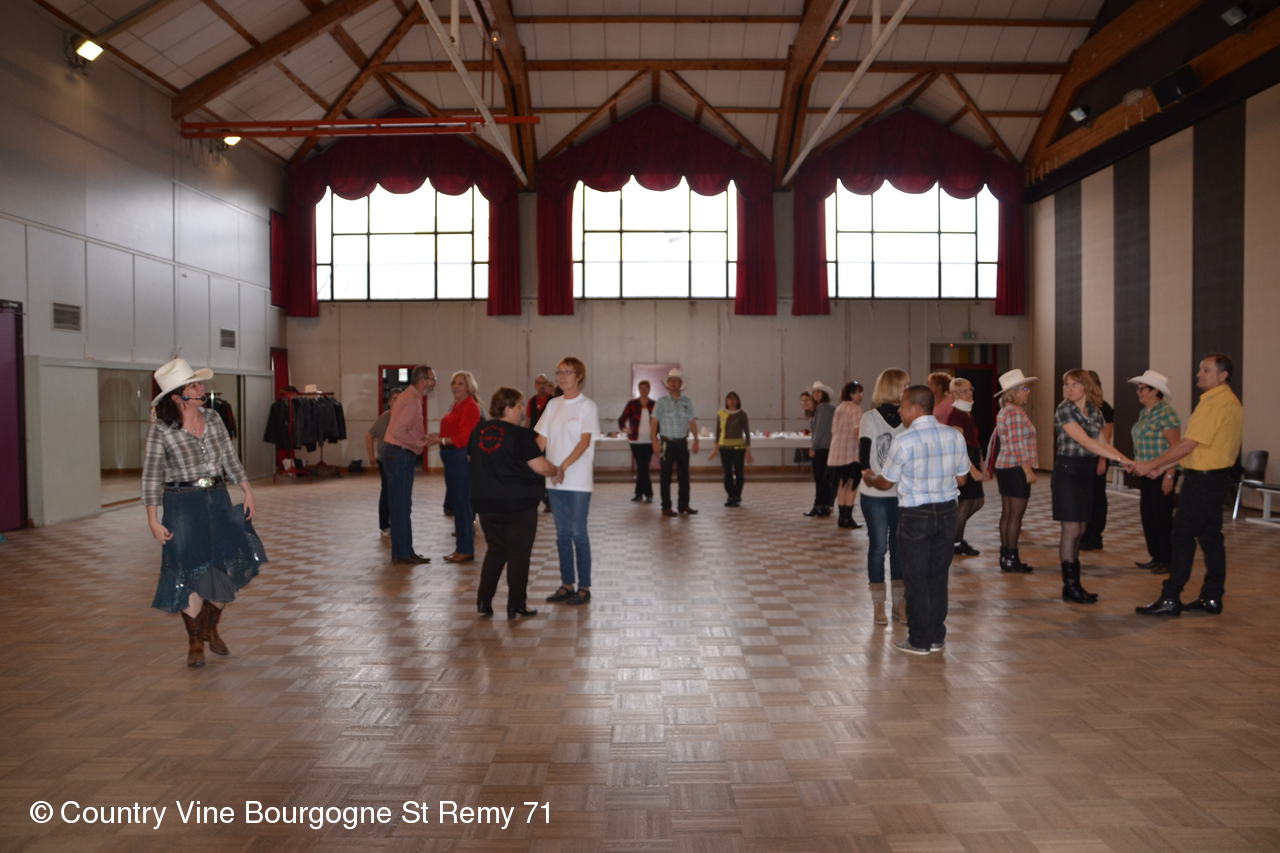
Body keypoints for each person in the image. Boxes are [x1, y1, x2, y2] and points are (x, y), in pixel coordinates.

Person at [142, 357, 267, 668]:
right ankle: (195, 640)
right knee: (188, 570)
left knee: (227, 565)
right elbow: (151, 477)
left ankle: (210, 626)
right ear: (177, 396)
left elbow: (230, 458)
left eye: (199, 384)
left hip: (217, 498)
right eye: (194, 385)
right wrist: (152, 520)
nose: (201, 389)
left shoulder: (213, 418)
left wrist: (247, 490)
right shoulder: (161, 430)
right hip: (181, 503)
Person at [864, 385, 971, 655]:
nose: (899, 411)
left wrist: (870, 478)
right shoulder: (954, 436)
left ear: (915, 408)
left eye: (902, 406)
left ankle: (919, 640)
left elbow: (887, 482)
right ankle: (936, 636)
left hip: (915, 515)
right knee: (938, 575)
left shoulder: (904, 441)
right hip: (947, 513)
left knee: (916, 577)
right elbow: (962, 479)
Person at [1135, 354, 1243, 617]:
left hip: (1203, 481)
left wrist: (1151, 465)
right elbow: (1198, 448)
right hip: (1214, 477)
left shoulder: (1215, 404)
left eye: (1206, 370)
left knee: (1182, 536)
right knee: (1210, 537)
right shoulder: (1228, 401)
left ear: (1223, 375)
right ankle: (1212, 597)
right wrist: (1163, 467)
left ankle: (1171, 597)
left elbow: (1186, 445)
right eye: (1200, 369)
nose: (1199, 374)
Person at [470, 387, 558, 619]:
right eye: (519, 405)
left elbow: (472, 459)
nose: (523, 410)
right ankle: (516, 605)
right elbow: (540, 466)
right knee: (519, 554)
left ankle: (484, 601)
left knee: (496, 550)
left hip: (486, 503)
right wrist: (557, 469)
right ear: (508, 408)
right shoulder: (521, 435)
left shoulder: (478, 431)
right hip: (518, 504)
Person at [1052, 369, 1132, 604]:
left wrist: (1126, 461)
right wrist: (1121, 459)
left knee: (1082, 528)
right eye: (1066, 385)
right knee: (1071, 529)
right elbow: (1085, 441)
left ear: (1086, 387)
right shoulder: (1064, 409)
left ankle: (1075, 584)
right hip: (1068, 470)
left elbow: (1102, 443)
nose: (1069, 389)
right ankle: (1070, 585)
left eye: (1074, 385)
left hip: (1085, 472)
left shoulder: (1095, 411)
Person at [538, 357, 600, 606]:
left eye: (567, 372)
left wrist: (561, 467)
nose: (562, 377)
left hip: (577, 480)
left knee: (578, 533)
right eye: (559, 372)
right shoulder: (553, 405)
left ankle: (584, 586)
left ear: (579, 376)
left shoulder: (587, 406)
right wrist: (525, 460)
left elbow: (584, 442)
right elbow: (541, 440)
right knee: (562, 534)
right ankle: (566, 584)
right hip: (554, 479)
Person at [860, 368, 910, 625]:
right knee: (878, 547)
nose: (908, 389)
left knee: (900, 548)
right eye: (904, 385)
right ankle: (878, 604)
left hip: (902, 494)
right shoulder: (870, 417)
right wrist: (870, 476)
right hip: (875, 494)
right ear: (892, 387)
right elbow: (863, 454)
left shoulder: (908, 417)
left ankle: (900, 604)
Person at [381, 365, 439, 565]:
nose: (434, 383)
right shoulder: (411, 400)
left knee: (401, 506)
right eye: (433, 379)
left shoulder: (410, 397)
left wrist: (421, 438)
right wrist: (419, 443)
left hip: (397, 453)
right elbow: (399, 431)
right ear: (423, 380)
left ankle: (404, 551)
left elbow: (404, 429)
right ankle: (403, 553)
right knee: (401, 506)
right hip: (399, 455)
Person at [1126, 370, 1182, 573]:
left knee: (1161, 516)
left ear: (1154, 391)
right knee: (1148, 516)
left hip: (1162, 472)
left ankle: (1167, 559)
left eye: (1142, 388)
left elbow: (1176, 448)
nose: (1138, 392)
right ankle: (1156, 556)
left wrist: (1169, 474)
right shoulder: (1145, 413)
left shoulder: (1166, 413)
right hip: (1147, 473)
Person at [991, 369, 1038, 573]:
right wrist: (1028, 470)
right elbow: (1017, 445)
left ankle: (1006, 556)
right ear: (1015, 392)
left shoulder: (1004, 411)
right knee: (1015, 516)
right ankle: (1011, 557)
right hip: (1016, 468)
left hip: (1005, 467)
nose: (1028, 392)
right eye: (1025, 388)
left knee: (1008, 513)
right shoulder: (1016, 413)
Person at [439, 370, 483, 563]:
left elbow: (465, 437)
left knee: (462, 504)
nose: (456, 387)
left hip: (459, 457)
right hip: (451, 456)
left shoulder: (470, 406)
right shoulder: (456, 405)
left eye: (460, 383)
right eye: (454, 383)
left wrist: (441, 440)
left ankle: (465, 549)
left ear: (469, 387)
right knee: (457, 503)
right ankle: (461, 548)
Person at [944, 377, 986, 557]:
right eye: (964, 391)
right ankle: (954, 541)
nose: (969, 393)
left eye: (970, 389)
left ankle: (955, 537)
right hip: (964, 463)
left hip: (972, 458)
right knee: (969, 501)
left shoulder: (965, 412)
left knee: (976, 501)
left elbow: (973, 441)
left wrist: (981, 463)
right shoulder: (956, 415)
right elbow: (958, 446)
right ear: (954, 394)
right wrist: (973, 470)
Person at [652, 368, 700, 517]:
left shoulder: (687, 402)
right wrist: (654, 440)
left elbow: (692, 421)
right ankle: (666, 507)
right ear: (667, 384)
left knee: (684, 476)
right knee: (665, 476)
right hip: (667, 443)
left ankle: (683, 505)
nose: (673, 383)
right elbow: (654, 422)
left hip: (682, 443)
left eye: (676, 381)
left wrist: (696, 439)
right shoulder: (661, 402)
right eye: (670, 381)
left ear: (680, 384)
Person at [1080, 370, 1115, 551]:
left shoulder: (1104, 408)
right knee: (1084, 498)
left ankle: (1095, 536)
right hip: (1083, 458)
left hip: (1097, 458)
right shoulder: (1082, 406)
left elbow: (1105, 438)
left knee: (1096, 498)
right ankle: (1084, 533)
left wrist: (1102, 460)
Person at [827, 380, 864, 529]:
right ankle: (848, 518)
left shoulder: (839, 408)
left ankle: (842, 518)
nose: (860, 396)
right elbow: (857, 430)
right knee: (852, 485)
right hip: (851, 453)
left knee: (841, 485)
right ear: (850, 394)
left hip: (836, 453)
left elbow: (833, 430)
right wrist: (864, 449)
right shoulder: (856, 409)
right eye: (857, 393)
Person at [365, 387, 402, 539]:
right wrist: (371, 456)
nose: (398, 402)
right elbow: (368, 435)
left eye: (400, 399)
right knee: (387, 490)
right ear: (389, 402)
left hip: (399, 459)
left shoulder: (404, 417)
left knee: (398, 491)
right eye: (395, 399)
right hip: (386, 460)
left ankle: (396, 521)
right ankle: (385, 524)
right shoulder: (385, 417)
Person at [710, 391, 753, 506]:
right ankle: (730, 496)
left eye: (734, 399)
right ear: (726, 401)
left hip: (739, 448)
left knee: (739, 473)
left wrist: (748, 451)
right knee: (727, 473)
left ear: (738, 401)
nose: (732, 401)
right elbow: (718, 432)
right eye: (729, 398)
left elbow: (747, 433)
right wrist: (715, 448)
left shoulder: (742, 414)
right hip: (724, 448)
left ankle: (737, 496)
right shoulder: (721, 414)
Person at [619, 380, 656, 502]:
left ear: (649, 389)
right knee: (642, 467)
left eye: (646, 388)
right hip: (635, 441)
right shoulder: (632, 403)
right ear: (639, 390)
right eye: (641, 388)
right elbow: (621, 420)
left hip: (650, 441)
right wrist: (625, 429)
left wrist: (658, 436)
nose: (643, 390)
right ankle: (647, 494)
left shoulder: (654, 404)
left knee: (643, 467)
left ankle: (640, 494)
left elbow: (659, 422)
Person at [806, 381, 836, 517]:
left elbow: (819, 429)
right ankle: (824, 506)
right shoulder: (825, 408)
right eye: (814, 392)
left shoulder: (823, 408)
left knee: (820, 479)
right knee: (824, 479)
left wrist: (813, 447)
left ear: (824, 394)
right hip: (826, 447)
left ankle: (818, 506)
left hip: (821, 448)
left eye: (819, 392)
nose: (816, 394)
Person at [795, 391, 815, 465]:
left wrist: (813, 447)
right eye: (802, 400)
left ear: (812, 401)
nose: (804, 403)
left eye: (807, 400)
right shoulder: (811, 413)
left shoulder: (817, 412)